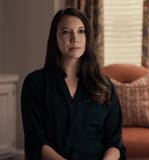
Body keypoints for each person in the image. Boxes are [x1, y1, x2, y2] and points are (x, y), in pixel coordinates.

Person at [21, 8, 126, 160]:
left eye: (81, 31)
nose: (74, 38)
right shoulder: (35, 84)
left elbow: (114, 143)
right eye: (65, 32)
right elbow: (36, 140)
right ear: (54, 38)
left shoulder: (105, 86)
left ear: (87, 37)